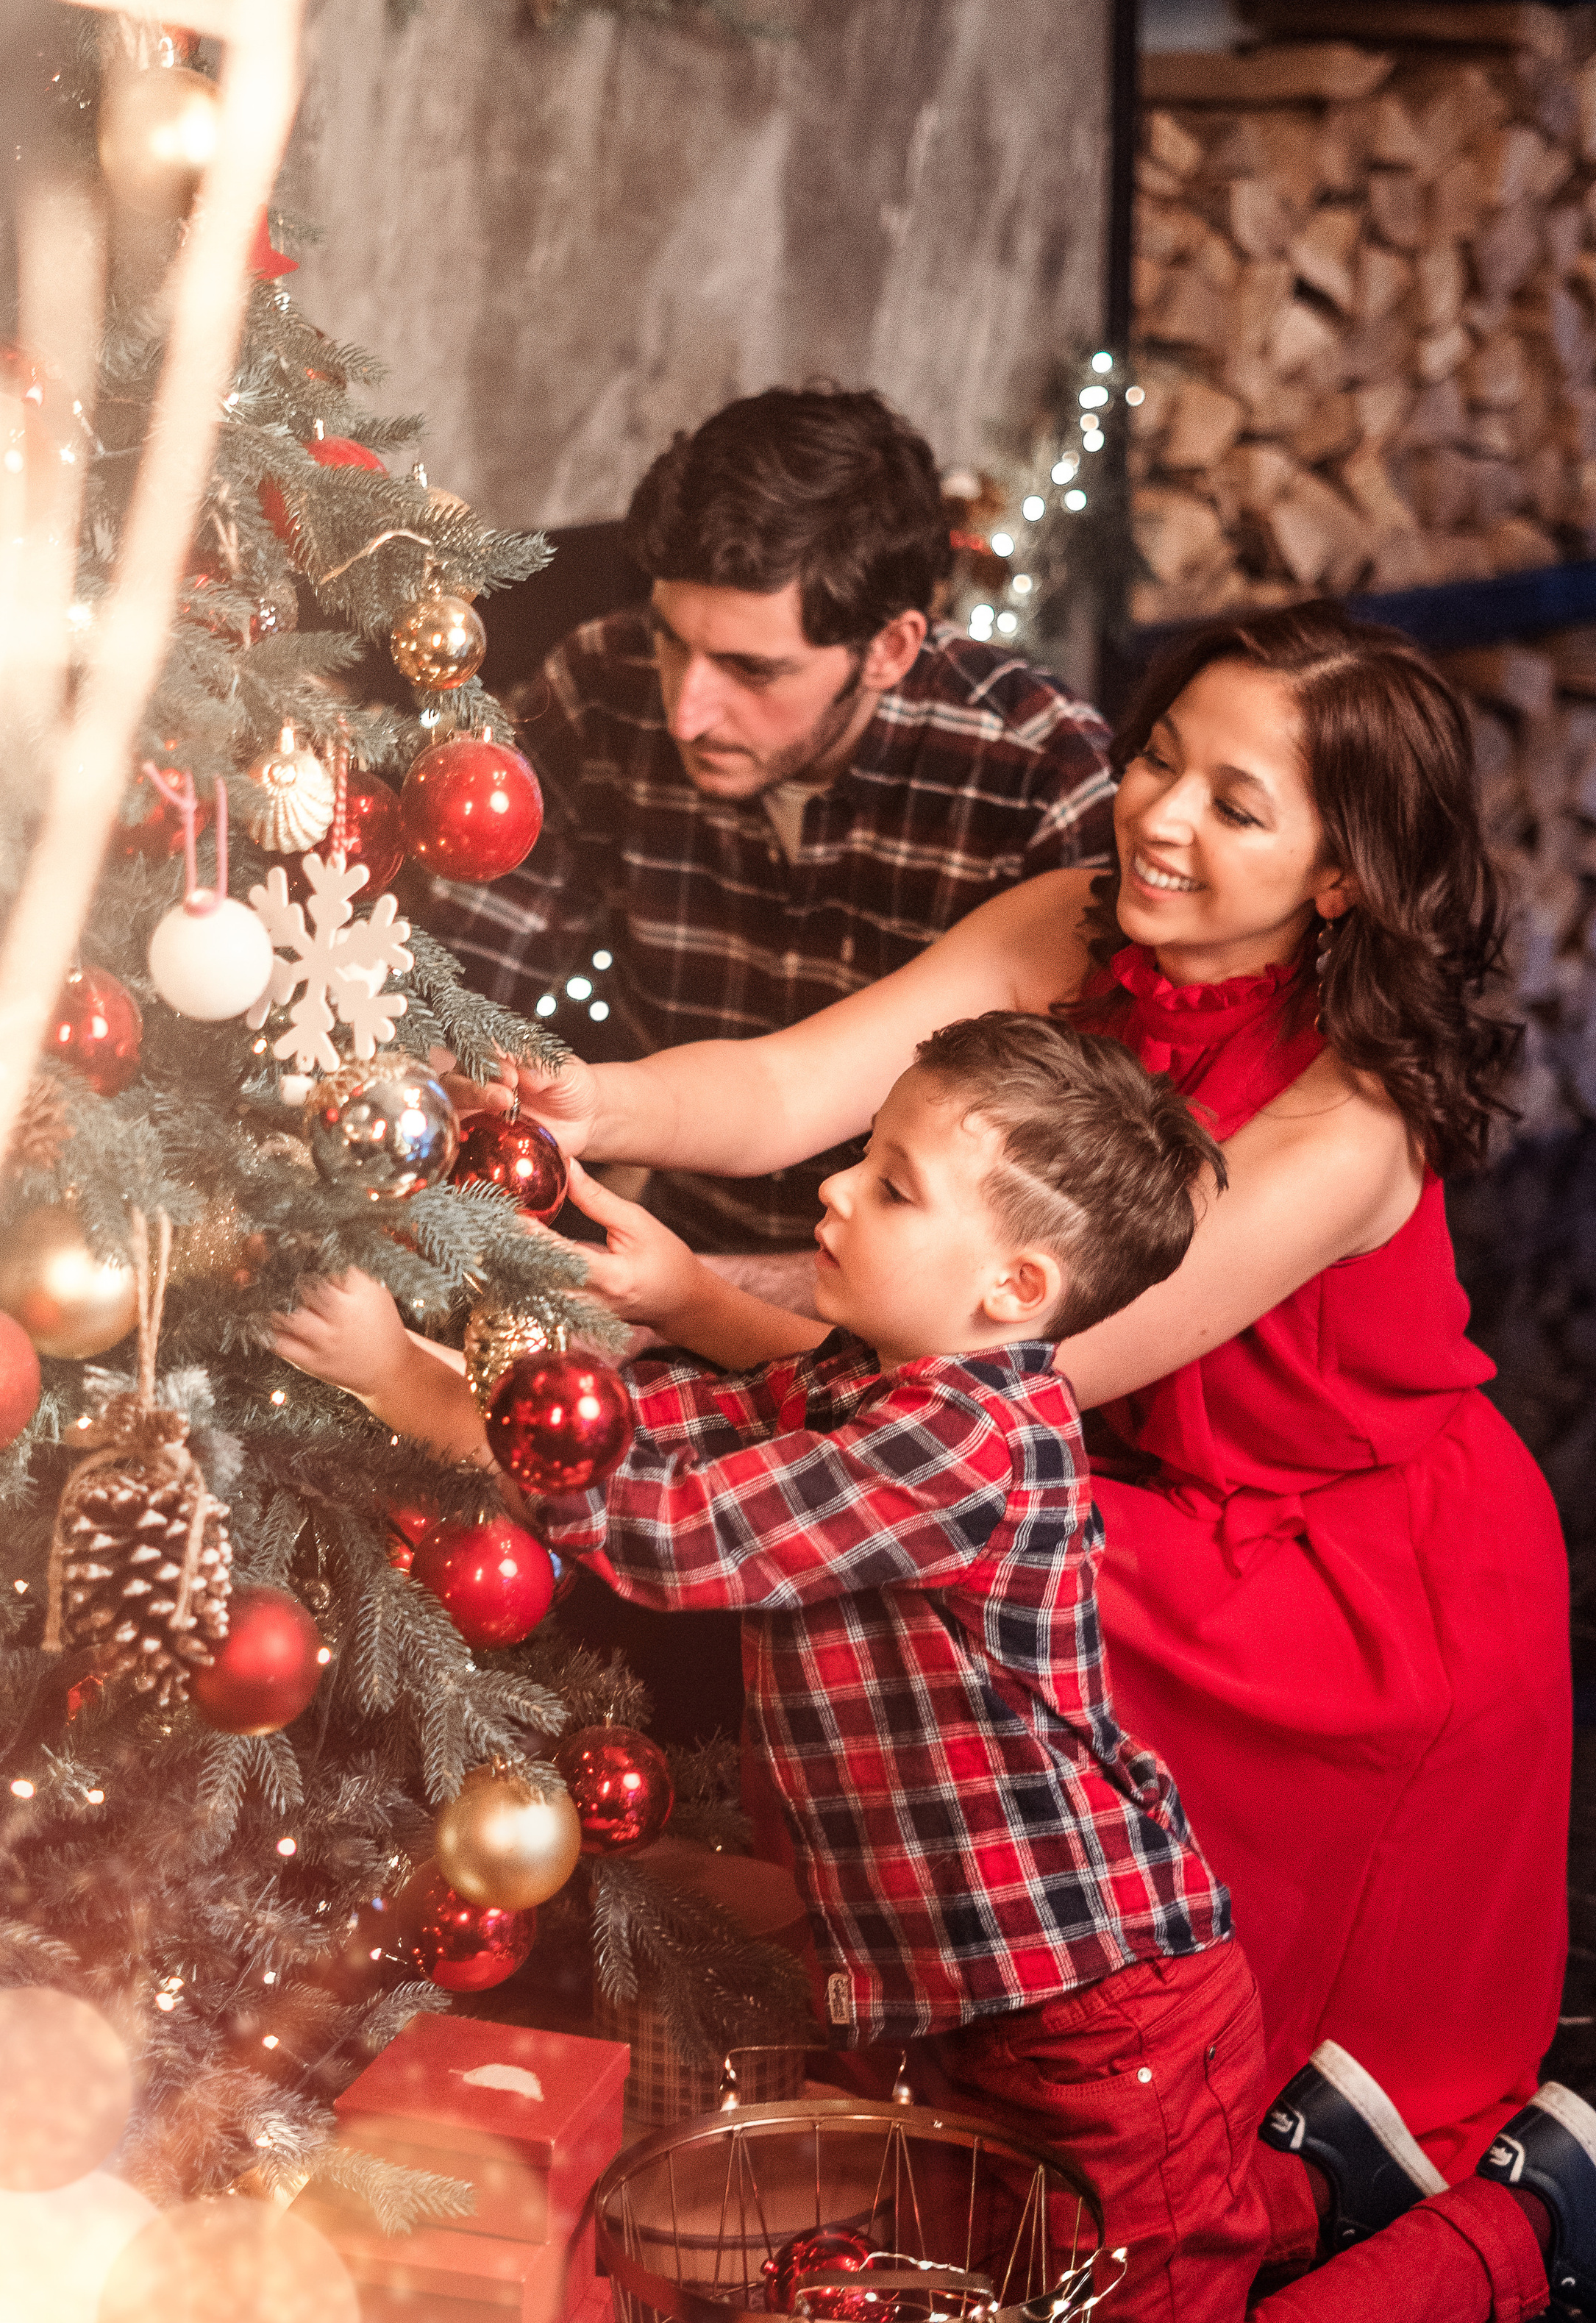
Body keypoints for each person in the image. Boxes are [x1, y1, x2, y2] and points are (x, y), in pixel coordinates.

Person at [271, 1011, 1592, 2323]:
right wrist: (580, 1325)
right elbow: (668, 1438)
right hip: (978, 2009)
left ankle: (1529, 2219)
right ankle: (1311, 2180)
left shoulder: (967, 1439)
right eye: (862, 1158)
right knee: (1021, 2304)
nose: (834, 1189)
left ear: (1011, 1288)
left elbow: (675, 1528)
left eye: (890, 1185)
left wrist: (402, 1376)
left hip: (1099, 2018)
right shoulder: (860, 1386)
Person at [458, 600, 1575, 2200]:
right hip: (1083, 1460)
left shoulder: (1345, 1129)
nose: (1158, 818)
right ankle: (909, 2013)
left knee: (912, 1566)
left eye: (1230, 805)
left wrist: (685, 1298)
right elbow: (792, 1084)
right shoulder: (1079, 913)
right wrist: (590, 1100)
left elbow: (1002, 1373)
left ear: (1336, 879)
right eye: (1159, 761)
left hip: (1338, 1564)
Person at [406, 385, 1117, 1256]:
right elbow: (463, 980)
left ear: (890, 649)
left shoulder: (1040, 773)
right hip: (655, 1241)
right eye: (671, 638)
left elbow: (1063, 1200)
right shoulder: (604, 680)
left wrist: (725, 1303)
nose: (686, 713)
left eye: (753, 669)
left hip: (912, 1313)